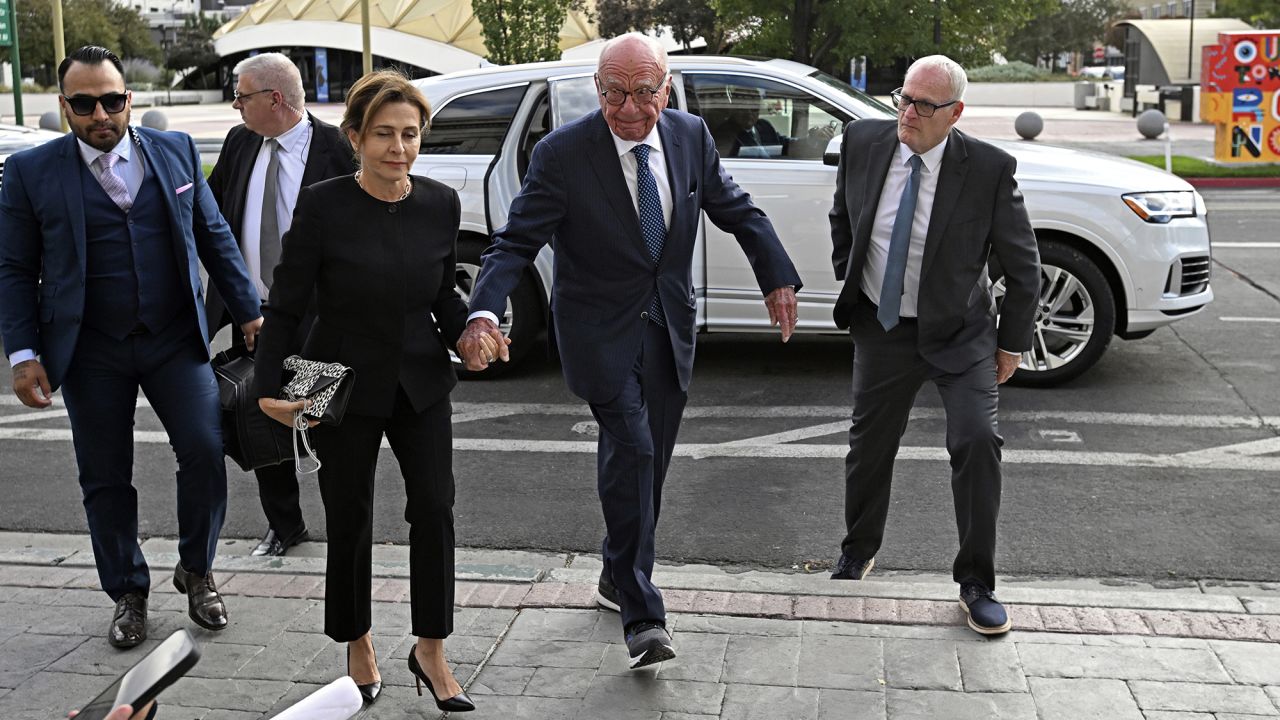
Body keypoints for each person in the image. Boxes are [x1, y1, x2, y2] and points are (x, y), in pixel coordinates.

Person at [457, 33, 802, 669]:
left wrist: (775, 275)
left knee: (648, 464)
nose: (629, 109)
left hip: (668, 328)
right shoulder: (562, 153)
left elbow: (736, 210)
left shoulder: (689, 135)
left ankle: (616, 575)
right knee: (636, 451)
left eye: (644, 93)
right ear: (598, 88)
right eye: (615, 93)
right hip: (597, 334)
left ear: (665, 90)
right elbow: (514, 242)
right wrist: (483, 310)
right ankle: (644, 618)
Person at [0, 45, 262, 649]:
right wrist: (22, 355)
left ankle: (196, 570)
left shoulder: (173, 151)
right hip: (90, 349)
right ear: (65, 106)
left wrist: (250, 313)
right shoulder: (32, 172)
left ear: (129, 99)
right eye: (86, 103)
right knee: (105, 476)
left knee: (204, 450)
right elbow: (14, 269)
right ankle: (127, 591)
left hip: (174, 338)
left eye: (112, 100)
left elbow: (212, 232)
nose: (101, 114)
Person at [254, 69, 478, 712]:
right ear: (354, 137)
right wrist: (271, 385)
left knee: (434, 507)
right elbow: (289, 303)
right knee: (349, 516)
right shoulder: (324, 204)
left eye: (410, 134)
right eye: (383, 134)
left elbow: (441, 295)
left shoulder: (440, 202)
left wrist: (468, 335)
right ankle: (357, 642)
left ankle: (431, 648)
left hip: (420, 381)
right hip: (337, 381)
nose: (398, 148)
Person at [826, 55, 1041, 636]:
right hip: (884, 325)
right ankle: (858, 551)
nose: (908, 113)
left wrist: (1012, 344)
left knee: (976, 440)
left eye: (924, 105)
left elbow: (1025, 267)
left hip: (960, 332)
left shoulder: (989, 169)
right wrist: (853, 274)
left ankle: (976, 582)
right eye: (904, 98)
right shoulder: (863, 141)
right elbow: (843, 216)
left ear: (955, 113)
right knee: (868, 446)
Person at [206, 52, 356, 558]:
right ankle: (285, 525)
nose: (235, 105)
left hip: (320, 319)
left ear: (274, 99)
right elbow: (211, 211)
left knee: (322, 420)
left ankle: (343, 522)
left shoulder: (338, 147)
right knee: (260, 420)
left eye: (242, 96)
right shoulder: (240, 141)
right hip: (254, 314)